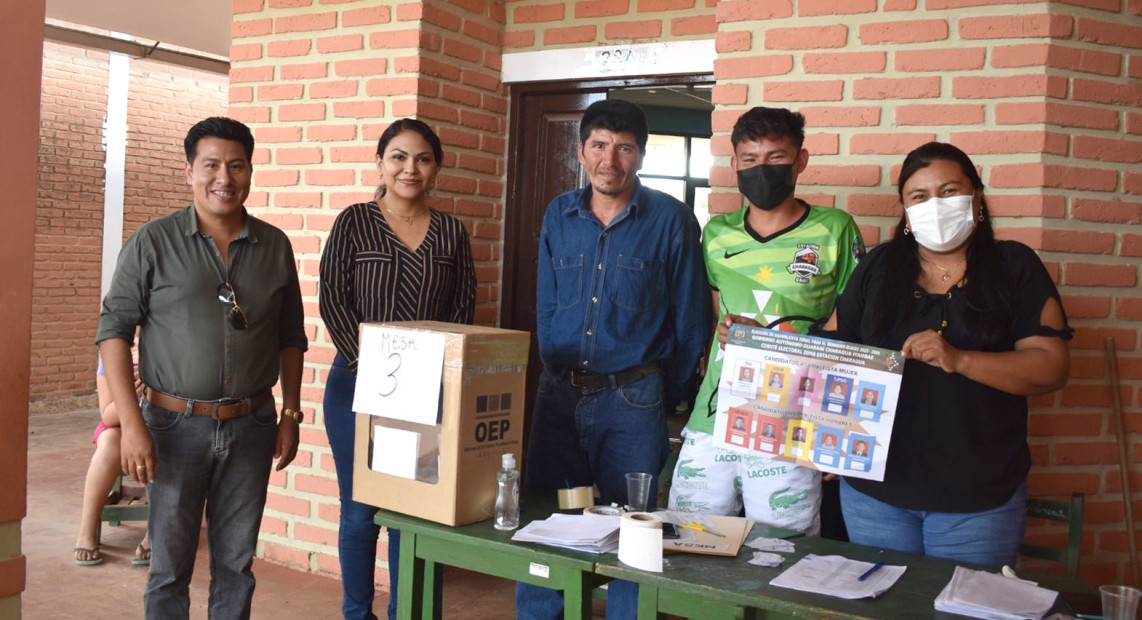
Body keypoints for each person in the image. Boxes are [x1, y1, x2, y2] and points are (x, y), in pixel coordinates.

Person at [96, 117, 307, 619]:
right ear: (189, 171)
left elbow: (290, 337)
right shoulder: (153, 242)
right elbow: (112, 332)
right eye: (211, 165)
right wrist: (132, 425)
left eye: (236, 166)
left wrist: (291, 414)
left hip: (252, 426)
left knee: (236, 564)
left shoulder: (274, 246)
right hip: (172, 428)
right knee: (169, 567)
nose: (224, 178)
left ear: (250, 171)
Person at [826, 142, 1070, 567]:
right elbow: (833, 353)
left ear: (977, 197)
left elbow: (1051, 368)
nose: (935, 206)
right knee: (881, 601)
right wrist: (757, 340)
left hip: (977, 498)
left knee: (965, 602)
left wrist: (960, 359)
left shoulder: (1014, 266)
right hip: (874, 493)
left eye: (949, 191)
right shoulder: (878, 268)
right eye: (919, 196)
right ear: (905, 211)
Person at [517, 99, 709, 620]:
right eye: (599, 145)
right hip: (559, 394)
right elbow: (547, 302)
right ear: (581, 152)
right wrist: (554, 368)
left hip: (633, 400)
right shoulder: (559, 213)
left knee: (636, 531)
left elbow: (690, 318)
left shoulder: (671, 219)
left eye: (624, 148)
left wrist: (663, 393)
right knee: (550, 521)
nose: (610, 160)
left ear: (641, 155)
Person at [667, 106, 864, 536]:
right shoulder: (716, 233)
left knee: (781, 553)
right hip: (714, 415)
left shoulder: (836, 229)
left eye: (776, 157)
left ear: (800, 160)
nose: (762, 168)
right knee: (688, 541)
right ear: (735, 164)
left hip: (792, 423)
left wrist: (835, 431)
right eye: (750, 159)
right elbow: (717, 323)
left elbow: (850, 337)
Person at [319, 118, 476, 620]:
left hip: (426, 392)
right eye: (399, 157)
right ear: (381, 163)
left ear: (436, 168)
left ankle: (404, 613)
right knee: (360, 509)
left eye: (423, 159)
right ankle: (356, 613)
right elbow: (333, 300)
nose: (410, 168)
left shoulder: (451, 232)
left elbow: (462, 309)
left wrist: (434, 378)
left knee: (411, 509)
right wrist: (373, 371)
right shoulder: (353, 222)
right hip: (355, 385)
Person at [74, 355, 149, 567]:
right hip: (119, 424)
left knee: (170, 443)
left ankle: (155, 532)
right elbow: (108, 415)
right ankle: (86, 530)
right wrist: (130, 395)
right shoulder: (112, 352)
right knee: (109, 445)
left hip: (161, 423)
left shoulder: (165, 346)